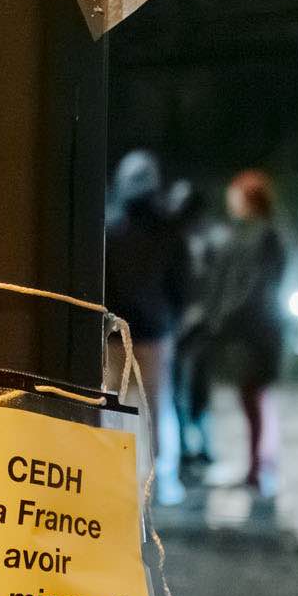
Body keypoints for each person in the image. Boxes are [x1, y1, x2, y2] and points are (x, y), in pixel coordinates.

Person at [104, 151, 194, 507]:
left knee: (114, 405)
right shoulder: (168, 231)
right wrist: (172, 318)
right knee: (153, 409)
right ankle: (151, 481)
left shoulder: (110, 227)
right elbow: (181, 284)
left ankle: (116, 478)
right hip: (154, 331)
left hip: (113, 331)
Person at [200, 169, 290, 496]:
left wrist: (223, 317)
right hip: (251, 328)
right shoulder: (252, 234)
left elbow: (251, 286)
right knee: (252, 398)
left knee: (253, 397)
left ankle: (256, 466)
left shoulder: (260, 236)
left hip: (253, 331)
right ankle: (258, 463)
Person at [168, 180, 220, 478]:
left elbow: (211, 284)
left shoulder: (205, 243)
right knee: (180, 390)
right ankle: (187, 446)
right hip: (180, 326)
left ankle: (200, 444)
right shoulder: (175, 241)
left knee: (197, 388)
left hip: (198, 327)